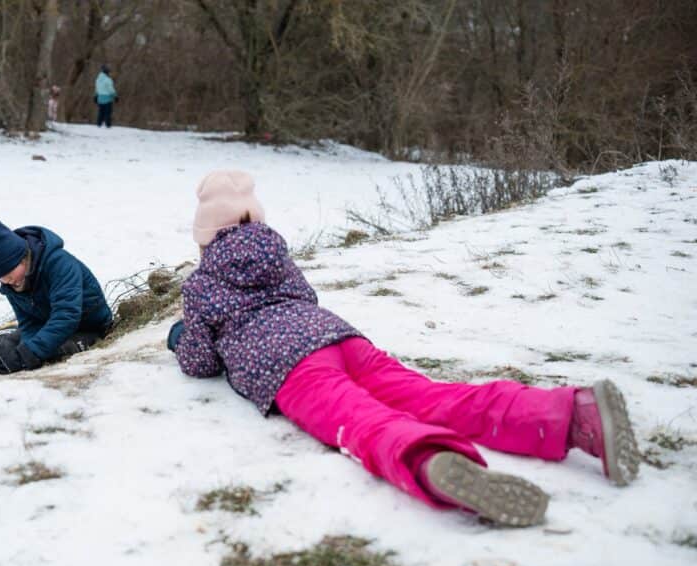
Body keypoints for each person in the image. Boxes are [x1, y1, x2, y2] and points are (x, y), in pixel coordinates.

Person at [167, 170, 642, 527]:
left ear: (205, 237)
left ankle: (430, 461)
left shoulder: (203, 283)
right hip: (341, 340)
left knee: (360, 419)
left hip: (289, 367)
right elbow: (305, 300)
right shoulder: (281, 259)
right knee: (436, 396)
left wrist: (180, 337)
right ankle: (574, 414)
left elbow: (201, 361)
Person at [0, 220, 113, 374]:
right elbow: (29, 322)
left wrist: (29, 354)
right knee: (11, 349)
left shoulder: (60, 264)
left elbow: (67, 315)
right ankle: (3, 339)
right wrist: (23, 350)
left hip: (89, 328)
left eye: (8, 273)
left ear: (21, 257)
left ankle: (14, 335)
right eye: (0, 277)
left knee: (53, 353)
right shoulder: (13, 284)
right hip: (48, 325)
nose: (6, 280)